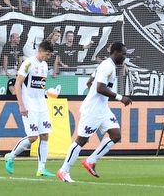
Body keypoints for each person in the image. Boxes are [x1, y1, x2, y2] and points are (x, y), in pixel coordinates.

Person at [57, 41, 133, 182]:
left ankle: (90, 161)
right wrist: (120, 97)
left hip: (102, 108)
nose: (125, 57)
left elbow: (92, 78)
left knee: (116, 135)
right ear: (116, 53)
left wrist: (90, 80)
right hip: (92, 109)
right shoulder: (107, 66)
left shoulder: (107, 65)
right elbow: (99, 88)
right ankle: (63, 170)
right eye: (123, 54)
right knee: (82, 140)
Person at [4, 40, 56, 177]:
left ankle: (41, 169)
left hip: (41, 104)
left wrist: (47, 93)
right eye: (47, 54)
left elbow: (38, 86)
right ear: (40, 51)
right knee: (33, 137)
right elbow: (18, 84)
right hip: (29, 105)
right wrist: (21, 104)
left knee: (45, 135)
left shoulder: (44, 65)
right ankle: (11, 156)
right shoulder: (28, 63)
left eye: (50, 55)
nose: (48, 57)